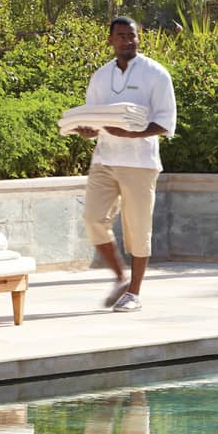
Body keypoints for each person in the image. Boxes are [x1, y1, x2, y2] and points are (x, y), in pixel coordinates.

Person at [70, 16, 177, 312]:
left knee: (138, 229)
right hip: (104, 159)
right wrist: (88, 130)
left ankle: (134, 293)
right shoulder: (100, 76)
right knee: (93, 220)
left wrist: (133, 133)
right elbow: (93, 115)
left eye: (132, 36)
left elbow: (166, 122)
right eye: (121, 36)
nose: (128, 41)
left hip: (140, 163)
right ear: (110, 40)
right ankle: (119, 278)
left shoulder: (156, 74)